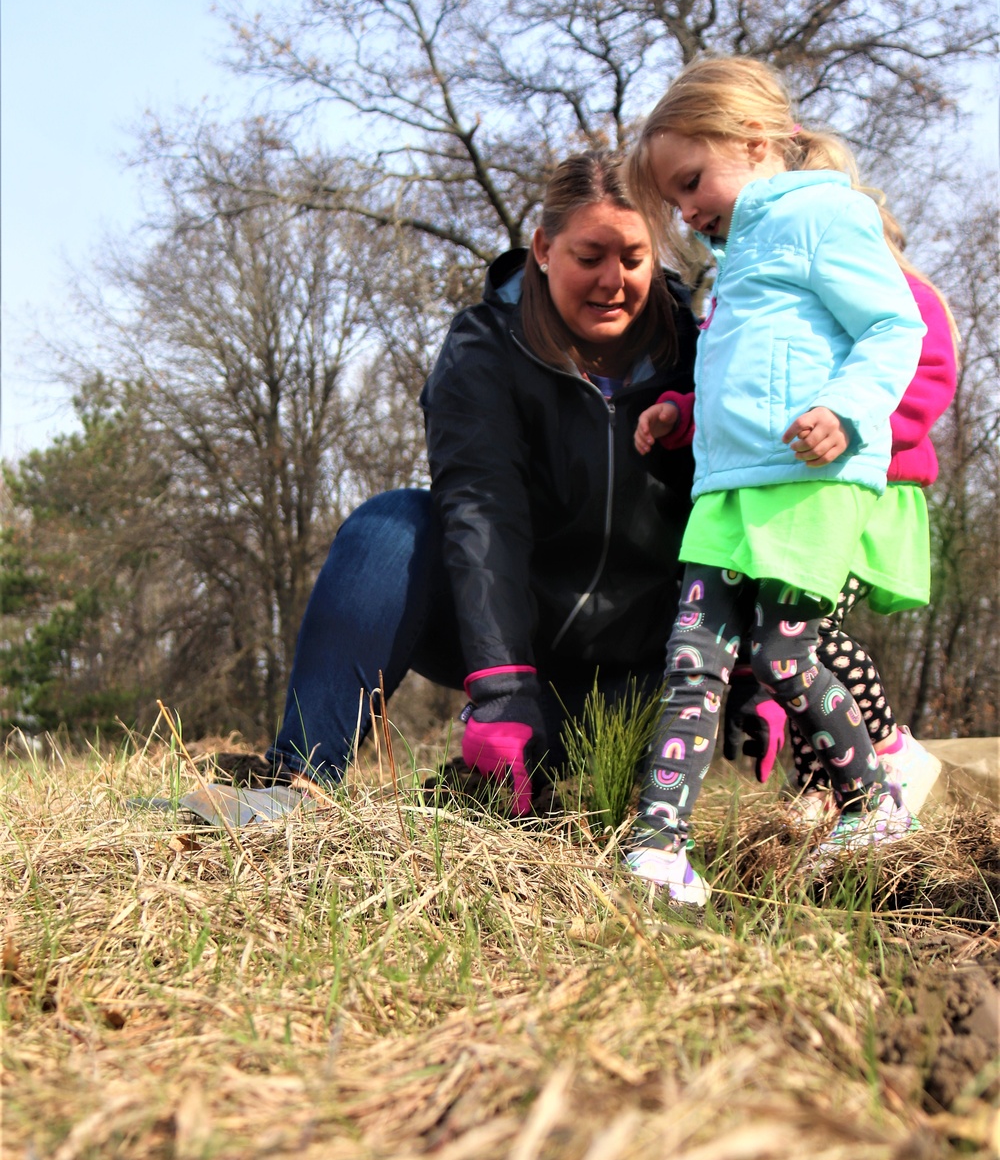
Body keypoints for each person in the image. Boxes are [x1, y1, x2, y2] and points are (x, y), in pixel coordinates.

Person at [214, 151, 700, 803]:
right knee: (390, 527)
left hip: (644, 670)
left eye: (634, 259)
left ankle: (510, 786)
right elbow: (481, 508)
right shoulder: (485, 347)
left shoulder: (700, 347)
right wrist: (503, 683)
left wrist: (754, 665)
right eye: (589, 257)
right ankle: (298, 780)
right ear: (544, 249)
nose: (613, 281)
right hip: (515, 648)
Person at [622, 55, 925, 904]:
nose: (685, 210)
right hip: (727, 488)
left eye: (690, 182)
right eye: (675, 197)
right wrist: (684, 412)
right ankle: (657, 849)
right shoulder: (738, 251)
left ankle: (874, 799)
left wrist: (848, 411)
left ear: (753, 141)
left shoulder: (824, 215)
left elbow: (892, 328)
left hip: (808, 479)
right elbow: (757, 367)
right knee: (693, 658)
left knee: (783, 656)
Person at [648, 207, 959, 819]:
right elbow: (741, 389)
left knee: (802, 641)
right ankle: (821, 780)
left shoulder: (900, 295)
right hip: (799, 493)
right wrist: (685, 416)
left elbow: (925, 382)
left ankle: (887, 748)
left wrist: (852, 428)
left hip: (868, 494)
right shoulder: (778, 300)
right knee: (783, 639)